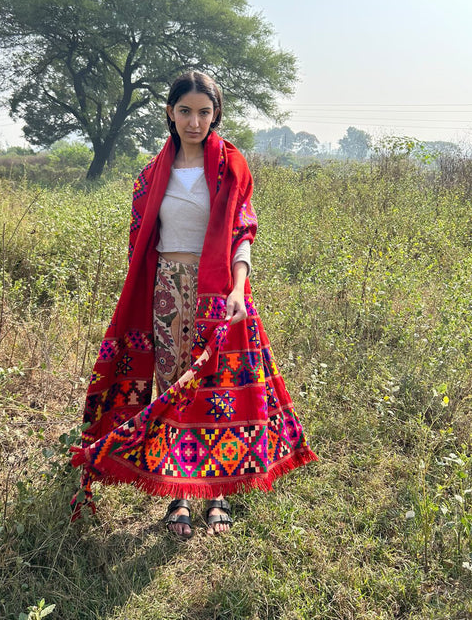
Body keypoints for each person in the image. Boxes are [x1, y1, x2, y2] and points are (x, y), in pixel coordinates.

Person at [71, 71, 317, 538]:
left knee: (216, 392)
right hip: (167, 290)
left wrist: (238, 290)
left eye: (204, 112)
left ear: (215, 115)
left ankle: (216, 491)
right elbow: (141, 243)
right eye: (185, 110)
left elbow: (243, 233)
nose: (194, 121)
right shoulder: (150, 175)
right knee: (172, 386)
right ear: (170, 112)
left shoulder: (232, 166)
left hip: (218, 292)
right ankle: (179, 496)